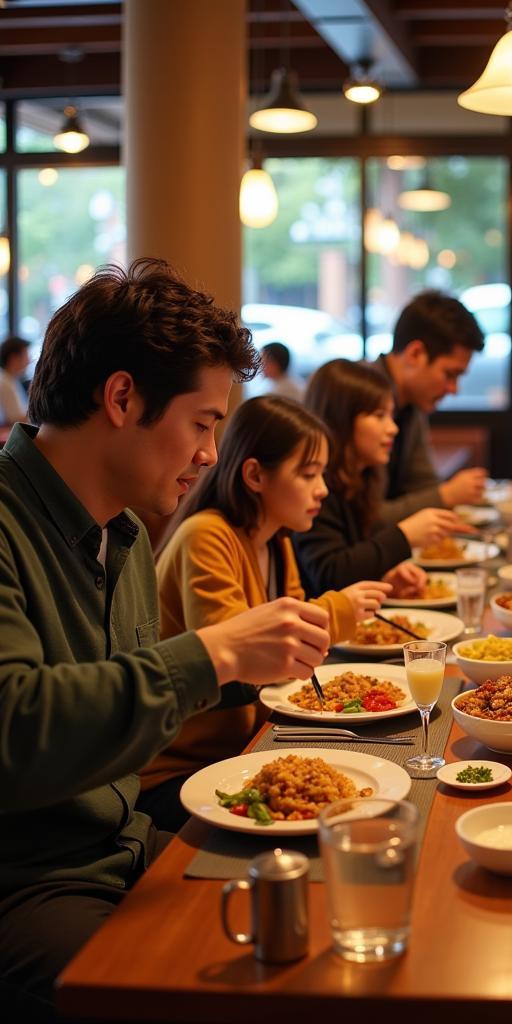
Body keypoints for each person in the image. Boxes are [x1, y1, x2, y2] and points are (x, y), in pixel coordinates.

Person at [0, 259, 333, 1021]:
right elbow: (15, 726)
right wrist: (215, 655)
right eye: (203, 423)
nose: (210, 455)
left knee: (330, 895)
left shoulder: (121, 535)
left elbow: (130, 715)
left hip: (124, 843)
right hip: (30, 879)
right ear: (122, 398)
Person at [139, 395, 390, 831]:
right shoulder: (207, 536)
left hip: (245, 752)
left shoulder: (277, 540)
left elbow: (293, 666)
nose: (323, 490)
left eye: (323, 474)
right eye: (308, 474)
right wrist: (339, 609)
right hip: (179, 773)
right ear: (255, 474)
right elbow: (240, 658)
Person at [294, 358, 469, 596]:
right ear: (341, 419)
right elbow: (327, 574)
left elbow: (353, 557)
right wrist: (404, 536)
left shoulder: (362, 478)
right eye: (379, 416)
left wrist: (384, 577)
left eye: (391, 415)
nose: (393, 428)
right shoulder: (317, 485)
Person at [375, 290, 489, 522]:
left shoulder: (411, 406)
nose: (454, 389)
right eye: (450, 374)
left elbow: (422, 485)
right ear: (415, 354)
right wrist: (446, 494)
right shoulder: (356, 399)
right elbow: (362, 520)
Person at [0, 335, 30, 426]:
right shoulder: (5, 382)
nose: (29, 360)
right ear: (14, 358)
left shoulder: (10, 379)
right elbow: (18, 419)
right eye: (26, 355)